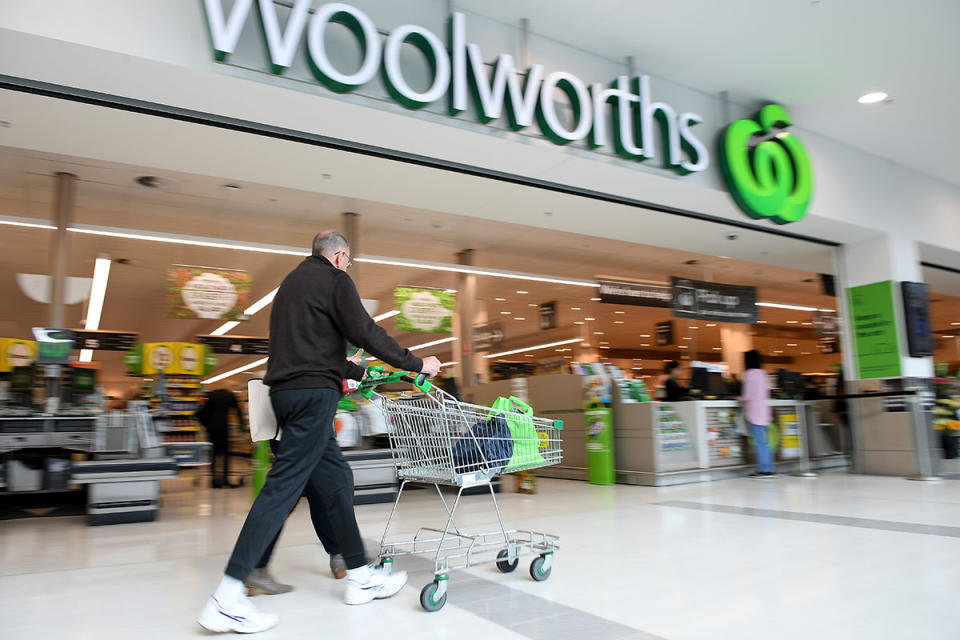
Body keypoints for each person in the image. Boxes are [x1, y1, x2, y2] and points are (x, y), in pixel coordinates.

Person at [198, 231, 441, 633]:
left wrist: (362, 372)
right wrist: (417, 363)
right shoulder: (335, 280)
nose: (348, 267)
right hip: (313, 397)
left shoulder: (289, 288)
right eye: (348, 261)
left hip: (289, 395)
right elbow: (365, 330)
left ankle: (360, 575)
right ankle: (227, 595)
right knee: (282, 488)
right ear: (340, 255)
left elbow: (319, 351)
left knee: (337, 479)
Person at [246, 355, 369, 596]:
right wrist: (348, 367)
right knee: (292, 499)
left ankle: (339, 556)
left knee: (320, 495)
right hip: (305, 429)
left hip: (293, 429)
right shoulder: (310, 334)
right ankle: (255, 567)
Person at [196, 388, 242, 488]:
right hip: (223, 429)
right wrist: (242, 426)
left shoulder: (212, 397)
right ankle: (225, 480)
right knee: (225, 454)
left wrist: (207, 425)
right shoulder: (230, 396)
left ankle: (214, 480)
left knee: (213, 455)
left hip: (212, 430)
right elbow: (238, 412)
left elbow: (199, 414)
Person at [740, 350, 774, 478]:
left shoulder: (749, 374)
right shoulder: (764, 374)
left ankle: (764, 470)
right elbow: (767, 392)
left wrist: (738, 398)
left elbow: (747, 396)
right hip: (764, 412)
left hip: (754, 413)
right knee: (765, 442)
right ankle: (769, 467)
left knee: (760, 442)